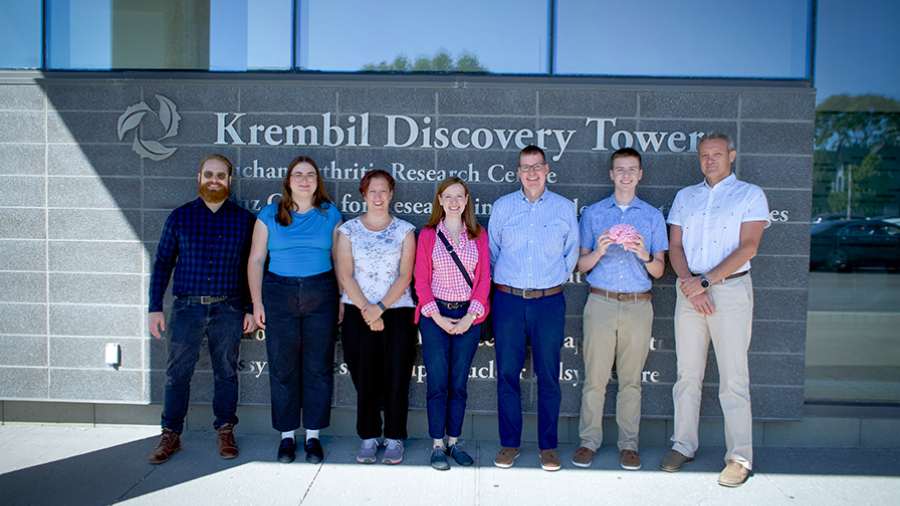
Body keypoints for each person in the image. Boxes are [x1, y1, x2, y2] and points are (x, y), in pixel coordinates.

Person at [660, 133, 769, 488]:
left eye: (717, 154)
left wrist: (705, 282)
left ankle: (739, 456)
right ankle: (683, 444)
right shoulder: (685, 197)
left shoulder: (750, 194)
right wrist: (691, 283)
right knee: (687, 374)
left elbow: (749, 246)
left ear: (731, 156)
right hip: (689, 291)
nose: (710, 160)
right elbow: (675, 246)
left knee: (734, 378)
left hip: (730, 291)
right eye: (704, 155)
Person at [147, 154, 257, 464]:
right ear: (199, 177)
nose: (214, 180)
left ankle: (225, 431)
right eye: (209, 174)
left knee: (226, 372)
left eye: (220, 175)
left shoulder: (243, 220)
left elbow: (252, 267)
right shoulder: (180, 217)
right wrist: (154, 307)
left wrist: (250, 307)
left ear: (229, 181)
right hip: (186, 309)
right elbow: (163, 263)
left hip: (229, 308)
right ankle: (171, 434)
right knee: (177, 373)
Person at [572, 147, 667, 471]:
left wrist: (643, 253)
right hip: (600, 301)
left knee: (631, 381)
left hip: (639, 305)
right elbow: (581, 265)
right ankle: (588, 442)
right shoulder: (595, 213)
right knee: (594, 379)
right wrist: (598, 251)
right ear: (611, 174)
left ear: (640, 174)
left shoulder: (652, 216)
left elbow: (659, 271)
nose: (625, 175)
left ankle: (629, 445)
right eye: (619, 169)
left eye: (632, 169)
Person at [488, 145, 579, 471]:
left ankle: (548, 446)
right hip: (509, 301)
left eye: (537, 166)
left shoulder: (564, 208)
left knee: (549, 376)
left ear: (547, 169)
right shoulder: (503, 207)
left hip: (549, 302)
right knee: (508, 375)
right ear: (518, 172)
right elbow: (493, 253)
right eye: (525, 167)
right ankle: (509, 444)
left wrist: (547, 281)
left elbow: (570, 255)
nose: (531, 173)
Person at [247, 156, 342, 464]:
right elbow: (256, 260)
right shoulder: (270, 214)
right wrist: (257, 302)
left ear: (318, 181)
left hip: (321, 293)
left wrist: (341, 299)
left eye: (310, 175)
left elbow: (340, 260)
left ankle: (313, 437)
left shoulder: (330, 214)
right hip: (278, 294)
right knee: (283, 367)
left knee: (318, 367)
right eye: (298, 175)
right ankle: (287, 437)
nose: (304, 180)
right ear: (288, 181)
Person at [335, 169, 417, 465]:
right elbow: (345, 274)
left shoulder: (405, 231)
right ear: (364, 194)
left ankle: (395, 437)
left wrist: (379, 308)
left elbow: (406, 275)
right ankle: (369, 436)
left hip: (397, 312)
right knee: (365, 377)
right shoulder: (348, 231)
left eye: (384, 191)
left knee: (397, 376)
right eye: (373, 191)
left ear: (392, 194)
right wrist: (368, 311)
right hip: (358, 312)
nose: (379, 196)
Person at [414, 177, 491, 471]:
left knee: (458, 384)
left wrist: (470, 317)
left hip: (469, 318)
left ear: (467, 199)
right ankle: (436, 444)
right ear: (440, 200)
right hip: (435, 318)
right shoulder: (429, 235)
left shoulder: (478, 234)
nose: (454, 201)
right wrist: (439, 318)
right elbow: (420, 280)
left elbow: (484, 279)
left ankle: (454, 441)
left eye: (459, 196)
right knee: (437, 383)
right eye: (448, 196)